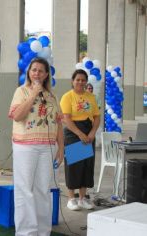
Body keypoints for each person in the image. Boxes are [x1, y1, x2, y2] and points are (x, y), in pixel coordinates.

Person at [8, 57, 64, 236]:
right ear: (29, 73)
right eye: (34, 70)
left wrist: (61, 148)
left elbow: (59, 124)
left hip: (47, 148)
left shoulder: (52, 96)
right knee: (25, 190)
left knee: (43, 190)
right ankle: (26, 232)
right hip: (25, 147)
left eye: (41, 70)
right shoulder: (21, 91)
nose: (37, 73)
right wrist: (33, 94)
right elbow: (17, 116)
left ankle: (43, 231)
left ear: (47, 74)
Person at [60, 69, 100, 211]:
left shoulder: (91, 97)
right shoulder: (68, 97)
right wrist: (80, 134)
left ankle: (83, 198)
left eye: (83, 80)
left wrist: (92, 133)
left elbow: (96, 117)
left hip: (88, 131)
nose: (80, 82)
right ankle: (72, 198)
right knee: (74, 165)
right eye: (78, 79)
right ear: (73, 81)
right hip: (73, 132)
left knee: (86, 165)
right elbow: (67, 119)